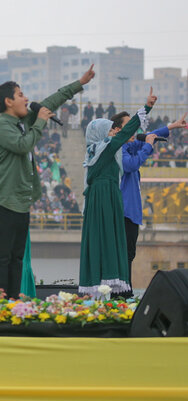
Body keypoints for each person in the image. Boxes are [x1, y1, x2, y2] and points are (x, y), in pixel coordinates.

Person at [0, 64, 95, 299]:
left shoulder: (21, 121)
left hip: (20, 199)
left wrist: (79, 84)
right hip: (5, 199)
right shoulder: (2, 126)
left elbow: (51, 101)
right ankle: (0, 297)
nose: (26, 98)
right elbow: (23, 145)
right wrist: (40, 122)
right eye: (20, 94)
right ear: (8, 101)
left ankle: (14, 299)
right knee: (4, 253)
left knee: (17, 255)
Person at [79, 89, 157, 297]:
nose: (114, 133)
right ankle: (110, 290)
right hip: (105, 199)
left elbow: (129, 137)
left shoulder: (99, 150)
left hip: (108, 198)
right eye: (110, 130)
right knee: (108, 242)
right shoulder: (104, 148)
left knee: (111, 244)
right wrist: (146, 108)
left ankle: (111, 288)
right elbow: (125, 133)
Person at [115, 110, 187, 289]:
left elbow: (149, 136)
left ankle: (125, 290)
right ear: (117, 130)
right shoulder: (119, 149)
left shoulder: (129, 145)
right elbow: (131, 165)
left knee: (129, 255)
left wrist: (172, 126)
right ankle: (122, 292)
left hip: (131, 213)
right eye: (128, 126)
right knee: (124, 255)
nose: (133, 131)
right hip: (124, 212)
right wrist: (147, 146)